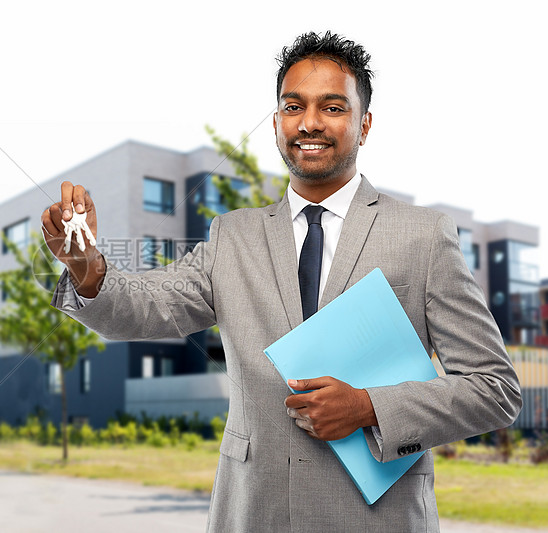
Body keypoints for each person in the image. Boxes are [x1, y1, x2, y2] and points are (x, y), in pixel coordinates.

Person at [40, 31, 521, 532]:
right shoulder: (233, 236)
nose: (309, 122)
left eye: (333, 107)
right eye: (294, 106)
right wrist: (86, 265)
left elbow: (494, 389)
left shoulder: (423, 236)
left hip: (379, 519)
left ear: (365, 124)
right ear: (276, 123)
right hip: (255, 513)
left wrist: (368, 406)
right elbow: (143, 309)